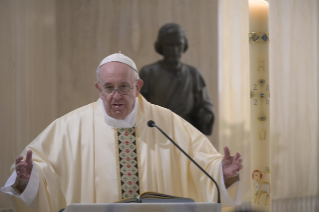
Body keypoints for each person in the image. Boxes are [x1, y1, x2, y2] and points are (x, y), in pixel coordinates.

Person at [1, 53, 243, 212]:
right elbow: (39, 169)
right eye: (108, 88)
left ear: (137, 87)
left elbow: (202, 164)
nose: (116, 96)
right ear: (98, 88)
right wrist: (27, 178)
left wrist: (222, 173)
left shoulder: (166, 122)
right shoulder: (68, 127)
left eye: (124, 87)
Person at [140, 23, 214, 135]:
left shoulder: (193, 74)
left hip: (186, 133)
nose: (175, 50)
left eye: (179, 45)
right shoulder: (148, 73)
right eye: (170, 45)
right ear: (161, 46)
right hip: (157, 132)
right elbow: (139, 106)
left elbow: (204, 104)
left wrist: (205, 114)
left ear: (184, 45)